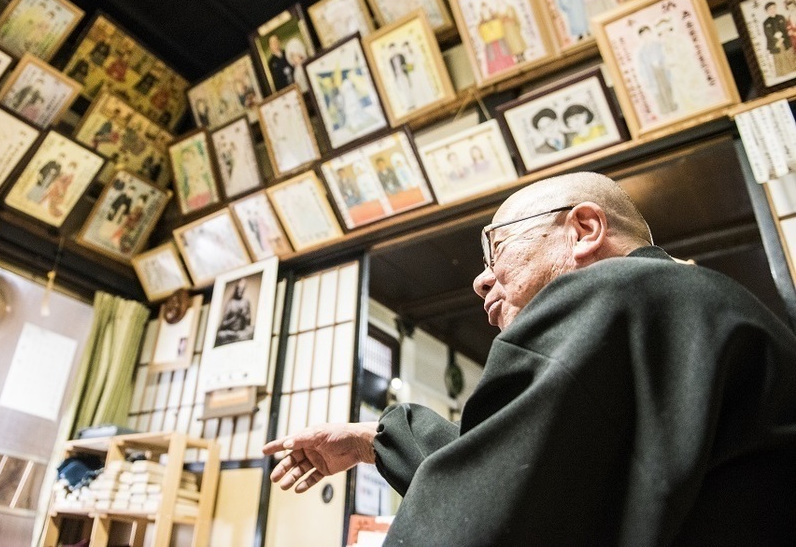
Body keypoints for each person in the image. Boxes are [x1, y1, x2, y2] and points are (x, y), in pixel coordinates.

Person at [264, 171, 796, 545]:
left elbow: (481, 520)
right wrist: (371, 441)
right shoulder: (680, 307)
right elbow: (530, 471)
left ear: (584, 230)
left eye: (495, 248)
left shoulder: (613, 292)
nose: (479, 279)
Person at [215, 278, 254, 346]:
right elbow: (223, 324)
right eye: (239, 289)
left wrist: (243, 315)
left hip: (241, 332)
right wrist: (234, 318)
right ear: (236, 289)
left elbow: (248, 321)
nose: (240, 292)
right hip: (230, 332)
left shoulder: (245, 302)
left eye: (242, 290)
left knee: (252, 331)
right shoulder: (230, 303)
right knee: (220, 335)